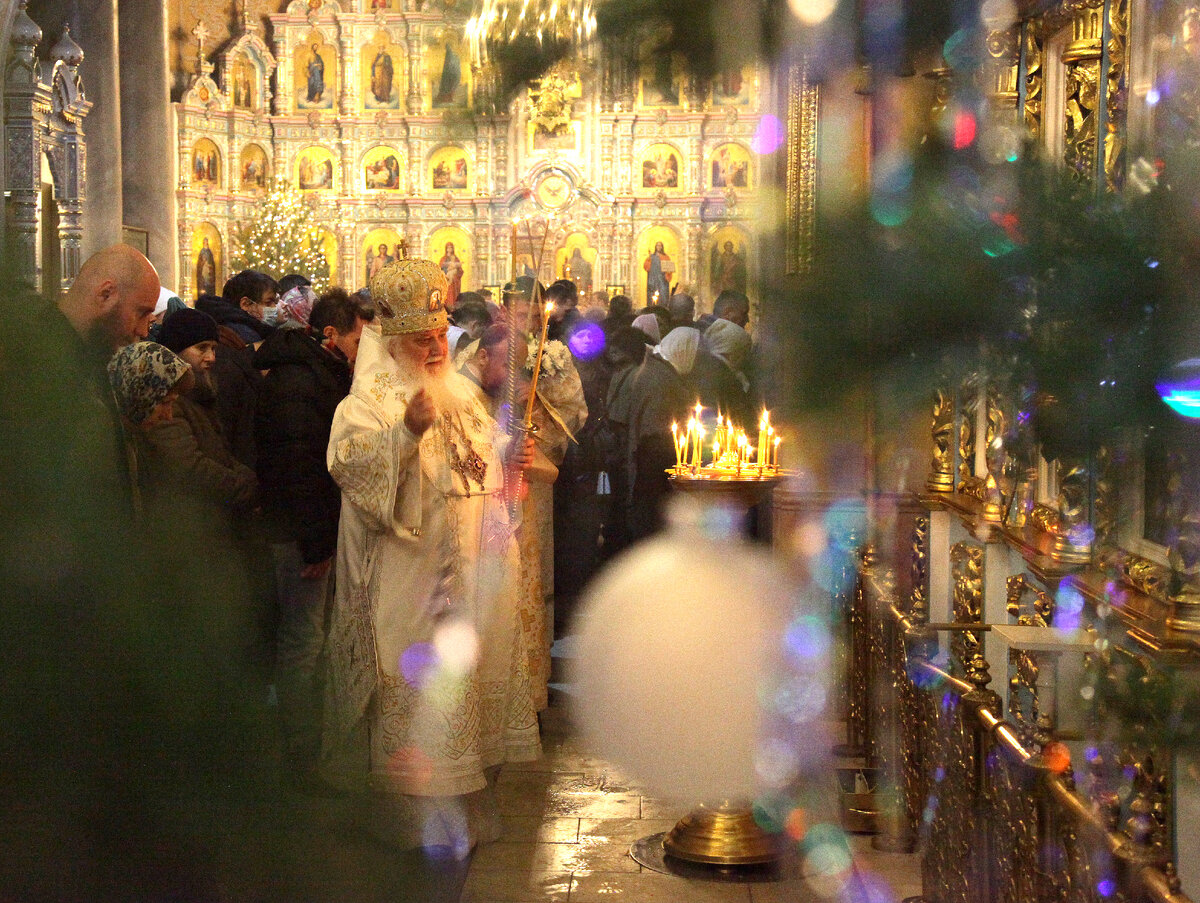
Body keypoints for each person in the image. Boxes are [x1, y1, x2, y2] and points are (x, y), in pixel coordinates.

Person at [323, 256, 541, 852]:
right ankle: (407, 827)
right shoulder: (363, 404)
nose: (437, 346)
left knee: (465, 691)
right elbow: (350, 468)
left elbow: (478, 473)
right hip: (407, 583)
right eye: (423, 340)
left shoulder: (463, 397)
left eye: (441, 333)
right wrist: (405, 434)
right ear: (393, 344)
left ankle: (461, 811)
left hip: (468, 581)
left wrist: (507, 470)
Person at [253, 289, 373, 792]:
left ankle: (304, 746)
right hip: (296, 533)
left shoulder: (316, 374)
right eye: (356, 340)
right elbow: (297, 465)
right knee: (303, 642)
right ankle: (298, 758)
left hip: (306, 527)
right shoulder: (298, 383)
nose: (361, 350)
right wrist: (315, 543)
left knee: (310, 638)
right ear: (330, 335)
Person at [627, 326, 700, 540]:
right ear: (683, 350)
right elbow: (658, 430)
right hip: (656, 463)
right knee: (653, 523)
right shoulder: (662, 378)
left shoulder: (658, 368)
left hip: (651, 459)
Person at [644, 241, 672, 306]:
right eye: (657, 245)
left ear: (662, 247)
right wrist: (649, 258)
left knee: (663, 295)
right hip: (653, 279)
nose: (659, 247)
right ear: (655, 247)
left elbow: (669, 268)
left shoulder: (666, 257)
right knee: (652, 294)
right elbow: (646, 267)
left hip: (662, 280)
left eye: (660, 246)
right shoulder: (651, 256)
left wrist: (667, 272)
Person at [440, 241, 464, 308]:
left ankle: (453, 305)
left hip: (454, 281)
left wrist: (456, 272)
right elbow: (440, 269)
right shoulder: (443, 259)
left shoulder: (456, 259)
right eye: (448, 248)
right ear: (446, 249)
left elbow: (460, 271)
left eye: (451, 248)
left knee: (453, 295)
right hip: (446, 279)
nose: (449, 249)